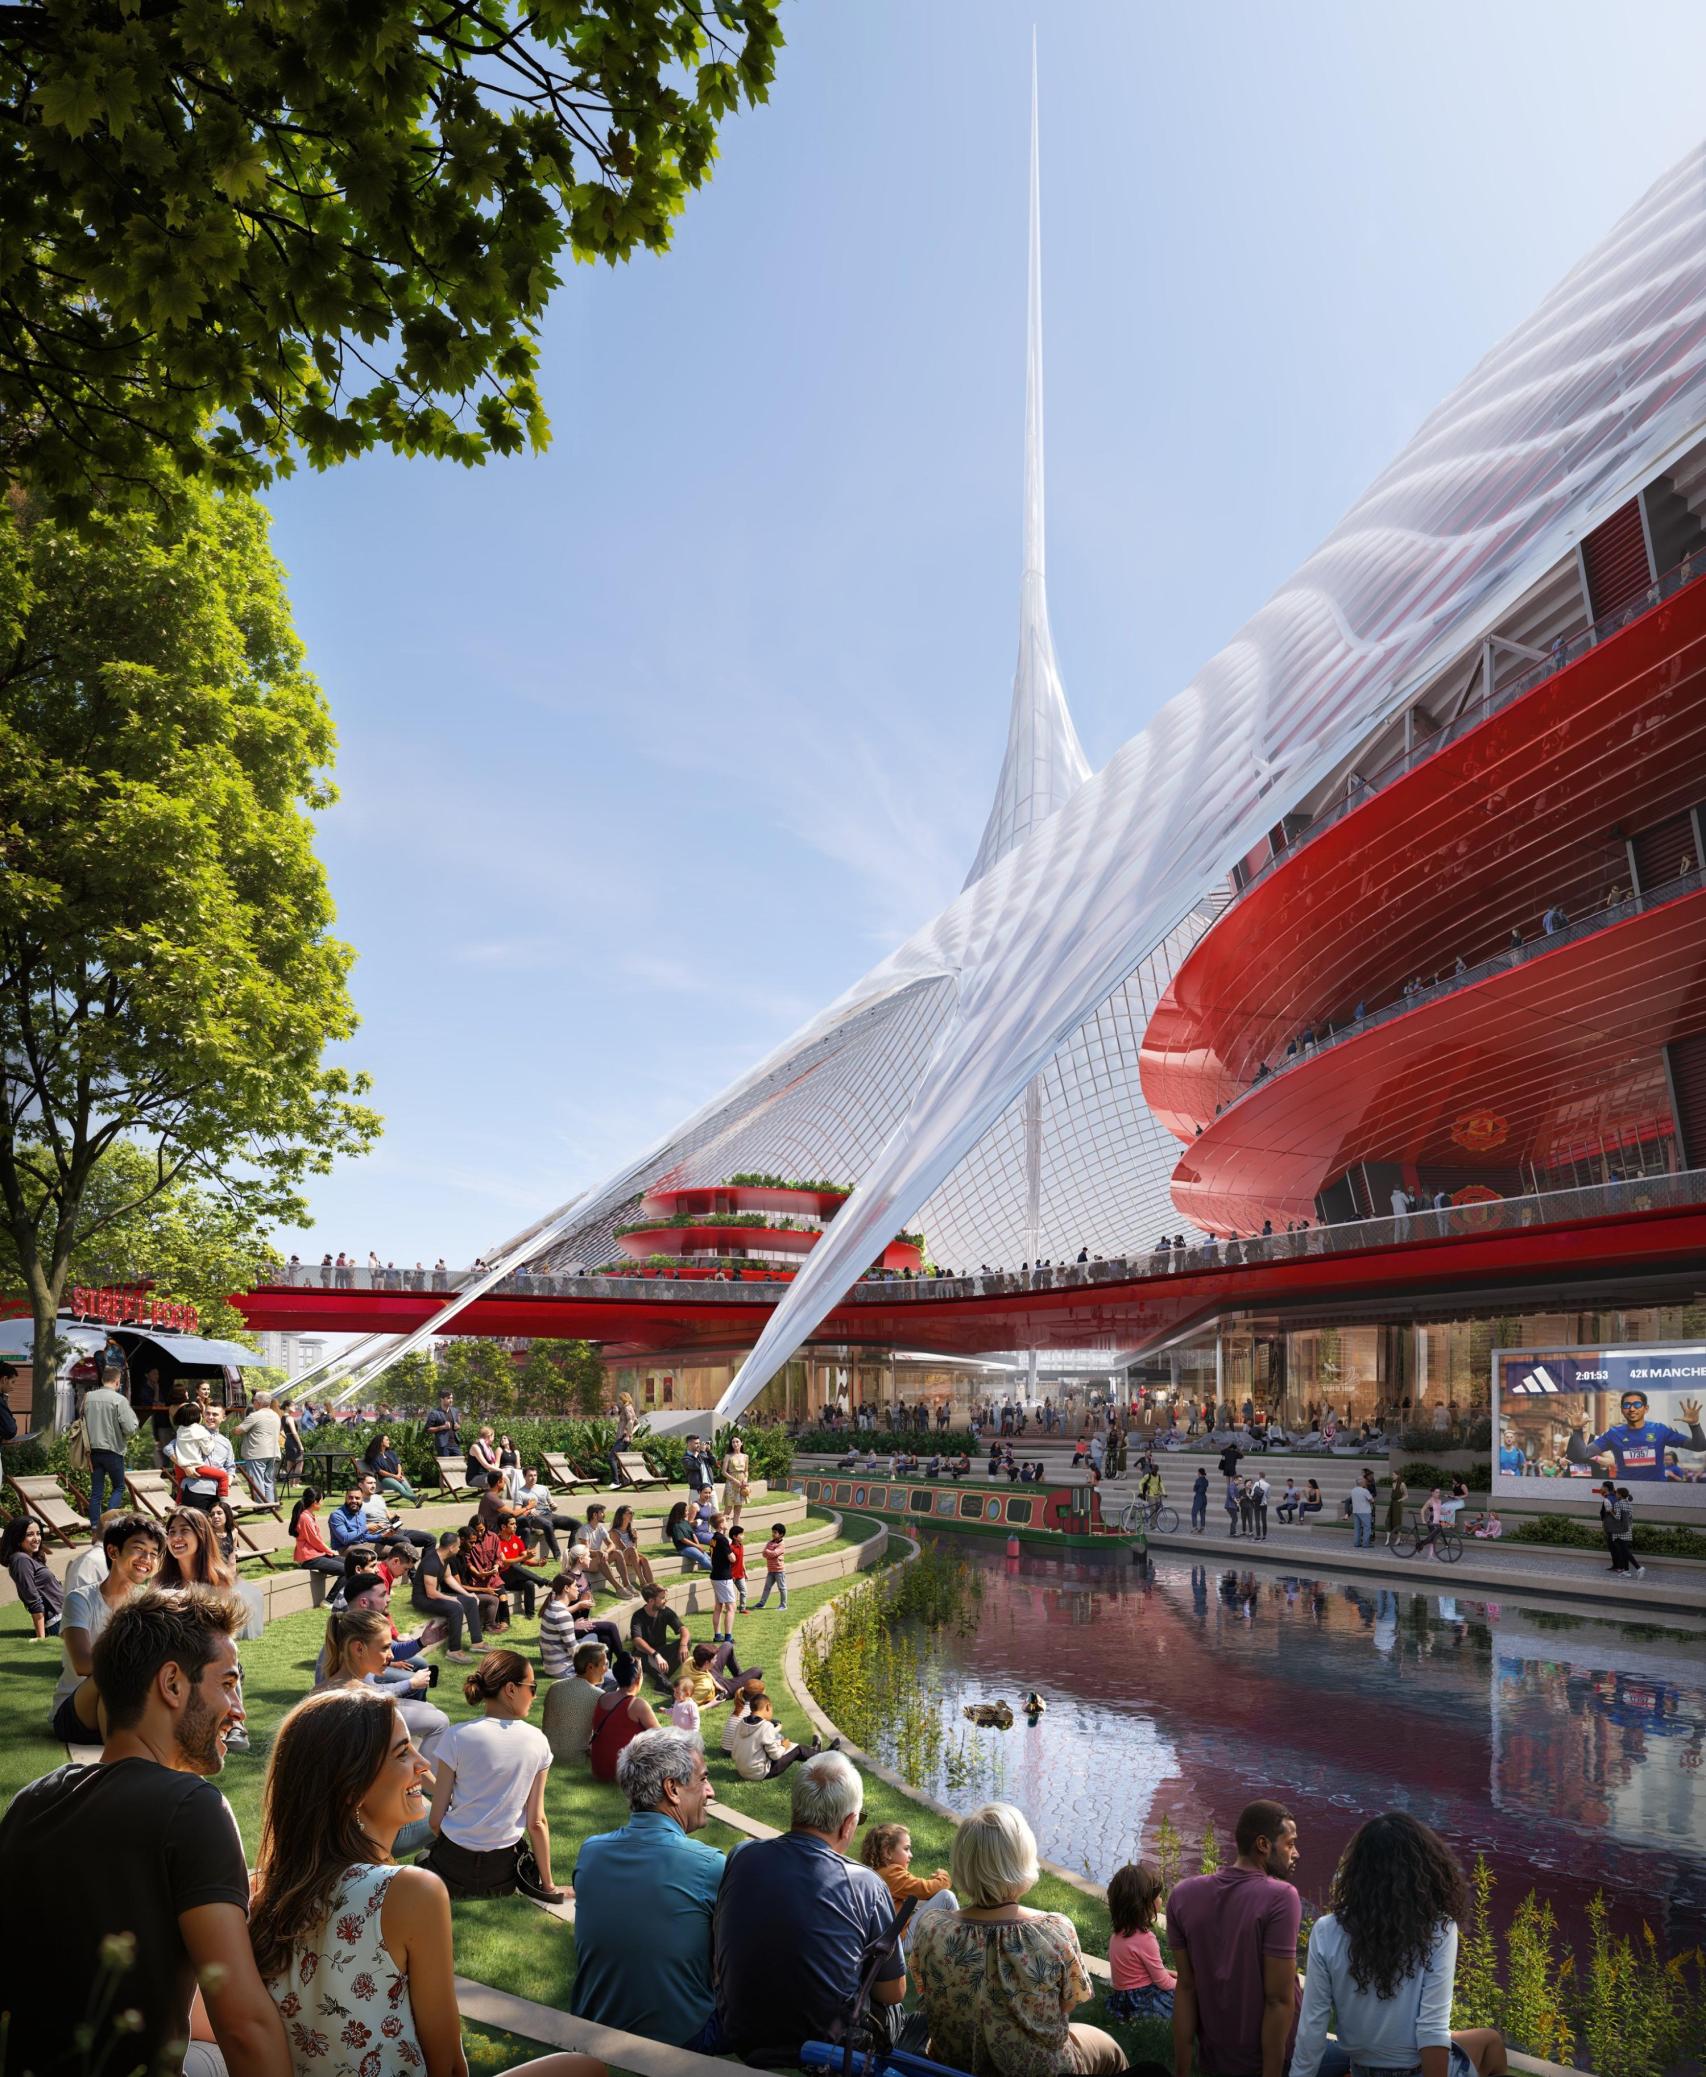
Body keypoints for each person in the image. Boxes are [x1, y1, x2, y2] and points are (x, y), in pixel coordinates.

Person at [0, 1583, 289, 2077]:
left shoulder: (31, 1800)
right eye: (227, 1683)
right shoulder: (192, 1807)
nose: (238, 1709)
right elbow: (244, 2026)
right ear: (172, 1683)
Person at [250, 1685, 595, 2077]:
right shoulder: (409, 1890)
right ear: (351, 1787)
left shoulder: (264, 1891)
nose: (422, 1763)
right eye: (403, 1752)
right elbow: (446, 2064)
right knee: (584, 2069)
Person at [713, 1749, 906, 2067]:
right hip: (829, 2050)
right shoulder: (867, 1885)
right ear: (848, 1824)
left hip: (744, 2035)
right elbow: (893, 1993)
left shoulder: (742, 1855)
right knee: (889, 2003)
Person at [907, 1800, 1125, 2074]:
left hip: (953, 2067)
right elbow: (1067, 2004)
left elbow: (929, 1993)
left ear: (963, 1862)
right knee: (1109, 2049)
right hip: (1041, 2070)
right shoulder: (1054, 1930)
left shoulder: (931, 1928)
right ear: (1022, 1860)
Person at [1292, 1812, 1508, 2077]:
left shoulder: (1326, 1930)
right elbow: (1431, 2029)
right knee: (1491, 2044)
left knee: (1486, 2040)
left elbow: (1312, 2026)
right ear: (1425, 1870)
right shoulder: (1438, 1930)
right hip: (1416, 2068)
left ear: (1357, 1871)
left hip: (1362, 2069)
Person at [572, 1727, 726, 2048]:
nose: (710, 1791)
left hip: (594, 2027)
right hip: (679, 2038)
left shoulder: (591, 1852)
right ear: (672, 1789)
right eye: (702, 1779)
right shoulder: (710, 1865)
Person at [1167, 1799, 1305, 2077]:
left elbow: (1185, 1987)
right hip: (1270, 2061)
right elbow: (1278, 2000)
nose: (1296, 1853)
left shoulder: (1182, 1895)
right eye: (1289, 1844)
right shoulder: (1281, 1897)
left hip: (1215, 2058)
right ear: (1263, 1845)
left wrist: (1182, 2071)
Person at [424, 1648, 564, 1901]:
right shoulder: (538, 1741)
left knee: (422, 1859)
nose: (534, 1695)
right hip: (503, 1873)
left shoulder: (456, 1736)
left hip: (451, 1867)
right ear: (511, 1689)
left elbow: (436, 1820)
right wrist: (548, 1886)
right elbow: (536, 1822)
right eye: (532, 1687)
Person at [52, 1511, 166, 1741]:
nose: (147, 1558)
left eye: (154, 1553)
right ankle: (116, 1764)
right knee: (109, 1676)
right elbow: (84, 1664)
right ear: (113, 1551)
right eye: (139, 1548)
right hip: (76, 1712)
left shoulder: (147, 1603)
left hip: (125, 1709)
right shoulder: (80, 1599)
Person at [1567, 1389, 1705, 1481]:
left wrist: (1695, 1425)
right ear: (1622, 1410)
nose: (1632, 1409)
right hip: (1625, 1492)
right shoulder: (1613, 1433)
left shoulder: (1659, 1430)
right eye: (1627, 1405)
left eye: (1637, 1404)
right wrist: (1577, 1430)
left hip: (1657, 1491)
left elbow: (1698, 1447)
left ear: (1646, 1408)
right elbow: (1583, 1454)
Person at [1106, 1859, 1176, 2021]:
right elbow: (1164, 1983)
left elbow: (1139, 1972)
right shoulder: (1146, 1939)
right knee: (1189, 1999)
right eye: (1158, 1896)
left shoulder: (1117, 1935)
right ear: (1144, 1904)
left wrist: (1171, 1973)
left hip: (1121, 2000)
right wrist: (1187, 1985)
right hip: (1140, 2000)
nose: (1161, 1900)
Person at [412, 1528, 485, 1663]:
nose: (459, 1549)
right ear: (451, 1547)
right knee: (455, 1608)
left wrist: (468, 1594)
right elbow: (431, 1593)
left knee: (470, 1601)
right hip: (422, 1599)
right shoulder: (431, 1562)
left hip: (431, 1596)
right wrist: (453, 1599)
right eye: (457, 1546)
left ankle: (477, 1642)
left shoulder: (445, 1558)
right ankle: (454, 1651)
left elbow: (449, 1577)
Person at [81, 1364, 139, 1524]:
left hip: (92, 1451)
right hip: (113, 1450)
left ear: (102, 1379)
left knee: (96, 1493)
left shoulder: (88, 1397)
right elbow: (129, 1428)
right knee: (119, 1487)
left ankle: (94, 1527)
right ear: (117, 1382)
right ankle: (108, 1523)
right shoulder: (119, 1400)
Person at [860, 1822, 959, 1916]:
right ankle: (965, 1932)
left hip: (895, 1928)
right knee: (946, 1897)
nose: (911, 1855)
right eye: (906, 1849)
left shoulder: (878, 1872)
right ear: (888, 1852)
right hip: (900, 1932)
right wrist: (944, 1877)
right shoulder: (891, 1873)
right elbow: (926, 1889)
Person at [588, 1652, 659, 1783]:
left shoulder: (603, 1698)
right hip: (624, 1774)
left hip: (599, 1769)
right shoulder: (637, 1705)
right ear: (638, 1678)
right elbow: (662, 1737)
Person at [543, 1638, 611, 1766]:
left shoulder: (554, 1687)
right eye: (605, 1664)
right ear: (590, 1667)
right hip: (576, 1761)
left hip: (548, 1757)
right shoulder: (599, 1696)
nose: (606, 1669)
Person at [728, 1691, 822, 1781]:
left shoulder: (741, 1723)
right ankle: (826, 1756)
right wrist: (783, 1746)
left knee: (781, 1743)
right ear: (768, 1707)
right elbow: (775, 1756)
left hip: (742, 1770)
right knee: (798, 1749)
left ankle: (814, 1751)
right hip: (759, 1773)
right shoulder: (766, 1726)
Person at [2, 1516, 64, 1640]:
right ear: (17, 1538)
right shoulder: (20, 1560)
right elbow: (33, 1599)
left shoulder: (30, 1558)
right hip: (59, 1620)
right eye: (30, 1534)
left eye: (38, 1533)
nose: (36, 1539)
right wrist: (41, 1637)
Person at [630, 1580, 689, 1687]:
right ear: (651, 1600)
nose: (665, 1600)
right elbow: (637, 1641)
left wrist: (683, 1645)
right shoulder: (638, 1616)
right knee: (640, 1658)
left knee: (686, 1641)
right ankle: (662, 1682)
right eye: (662, 1598)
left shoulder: (666, 1611)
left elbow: (683, 1629)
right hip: (644, 1654)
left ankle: (664, 1674)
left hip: (661, 1650)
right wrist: (656, 1655)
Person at [235, 1393, 283, 1505]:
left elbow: (238, 1430)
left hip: (256, 1453)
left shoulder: (255, 1416)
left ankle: (262, 1506)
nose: (253, 1403)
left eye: (253, 1400)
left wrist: (231, 1429)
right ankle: (270, 1505)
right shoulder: (276, 1415)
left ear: (258, 1402)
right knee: (268, 1481)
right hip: (272, 1452)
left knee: (257, 1481)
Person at [362, 1428, 419, 1504]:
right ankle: (416, 1498)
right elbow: (380, 1471)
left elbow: (398, 1463)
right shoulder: (374, 1456)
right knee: (400, 1488)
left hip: (398, 1475)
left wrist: (398, 1474)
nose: (389, 1441)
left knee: (407, 1487)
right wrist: (394, 1476)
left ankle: (416, 1501)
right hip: (386, 1478)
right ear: (381, 1442)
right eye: (387, 1440)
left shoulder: (391, 1453)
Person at [707, 1511, 737, 1644]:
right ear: (720, 1525)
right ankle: (728, 1637)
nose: (727, 1522)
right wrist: (734, 1556)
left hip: (715, 1575)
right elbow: (732, 1558)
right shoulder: (722, 1540)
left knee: (718, 1606)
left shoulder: (714, 1538)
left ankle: (717, 1635)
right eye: (725, 1521)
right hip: (724, 1577)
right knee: (731, 1607)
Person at [666, 1500, 713, 1572]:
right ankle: (717, 1571)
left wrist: (698, 1545)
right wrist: (697, 1546)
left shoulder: (685, 1522)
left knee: (706, 1556)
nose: (688, 1512)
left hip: (693, 1545)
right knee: (701, 1557)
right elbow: (683, 1539)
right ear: (680, 1512)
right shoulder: (676, 1525)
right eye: (686, 1511)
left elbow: (693, 1534)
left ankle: (716, 1568)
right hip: (684, 1548)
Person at [755, 1520, 790, 1607]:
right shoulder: (770, 1542)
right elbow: (764, 1554)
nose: (773, 1534)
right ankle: (762, 1603)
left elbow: (774, 1553)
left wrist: (768, 1551)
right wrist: (769, 1553)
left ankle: (783, 1605)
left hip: (779, 1570)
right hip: (771, 1570)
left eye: (775, 1532)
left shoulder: (781, 1544)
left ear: (781, 1534)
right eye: (773, 1532)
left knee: (782, 1588)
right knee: (767, 1587)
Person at [721, 1431, 751, 1524]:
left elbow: (746, 1471)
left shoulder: (745, 1456)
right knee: (728, 1509)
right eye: (733, 1442)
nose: (735, 1444)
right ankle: (720, 1530)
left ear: (741, 1443)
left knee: (738, 1510)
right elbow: (724, 1472)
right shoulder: (728, 1456)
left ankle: (735, 1533)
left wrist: (745, 1481)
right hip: (731, 1483)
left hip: (742, 1484)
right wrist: (735, 1481)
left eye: (737, 1441)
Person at [423, 1388, 461, 1459]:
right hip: (443, 1445)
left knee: (459, 1466)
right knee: (445, 1467)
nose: (451, 1400)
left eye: (452, 1398)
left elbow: (459, 1425)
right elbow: (427, 1429)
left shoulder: (455, 1411)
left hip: (455, 1444)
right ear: (442, 1399)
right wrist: (442, 1427)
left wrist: (457, 1426)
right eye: (448, 1398)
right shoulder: (434, 1413)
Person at [1349, 1473, 1375, 1549]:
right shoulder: (1365, 1491)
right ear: (1362, 1482)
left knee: (1357, 1528)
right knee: (1367, 1528)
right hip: (1365, 1511)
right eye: (1364, 1481)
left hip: (1356, 1511)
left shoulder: (1353, 1490)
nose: (1365, 1482)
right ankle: (1365, 1544)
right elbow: (1372, 1500)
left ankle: (1356, 1543)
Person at [1386, 1473, 1408, 1549]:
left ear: (1398, 1475)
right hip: (1392, 1504)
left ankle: (1398, 1538)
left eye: (1393, 1475)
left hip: (1398, 1505)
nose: (1392, 1476)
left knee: (1397, 1521)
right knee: (1388, 1520)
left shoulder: (1402, 1484)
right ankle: (1388, 1539)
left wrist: (1400, 1500)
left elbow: (1406, 1495)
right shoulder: (1393, 1484)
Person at [1190, 1467, 1209, 1534]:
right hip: (1204, 1497)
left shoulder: (1198, 1480)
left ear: (1200, 1473)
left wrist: (1196, 1489)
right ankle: (1202, 1528)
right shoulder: (1206, 1481)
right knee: (1202, 1513)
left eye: (1198, 1472)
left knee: (1194, 1512)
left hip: (1198, 1497)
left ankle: (1195, 1527)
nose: (1197, 1473)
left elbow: (1194, 1489)